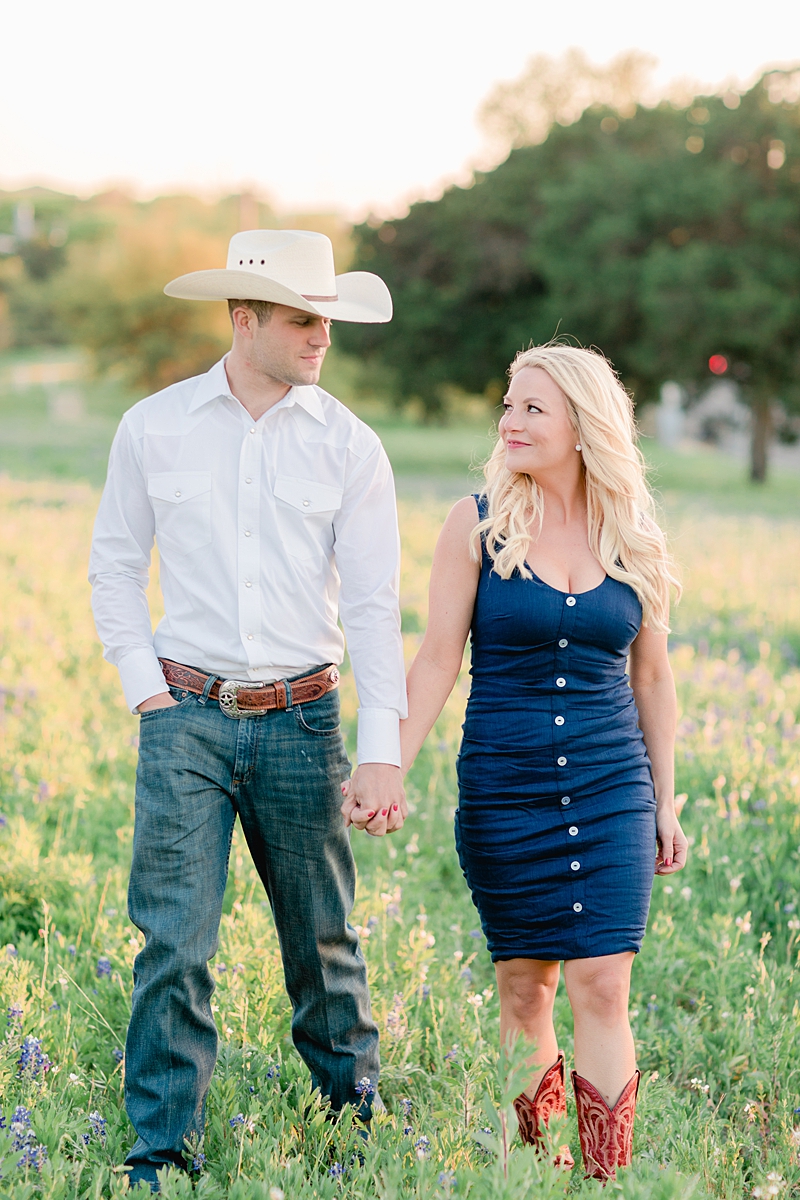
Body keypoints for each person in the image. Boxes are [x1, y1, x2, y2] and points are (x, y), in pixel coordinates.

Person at [89, 229, 408, 1191]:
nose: (321, 338)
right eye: (305, 320)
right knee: (174, 945)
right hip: (184, 713)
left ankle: (353, 1134)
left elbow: (372, 604)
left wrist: (383, 747)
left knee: (322, 943)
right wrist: (148, 691)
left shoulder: (351, 444)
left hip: (304, 723)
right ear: (245, 319)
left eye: (328, 321)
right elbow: (113, 568)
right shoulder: (154, 426)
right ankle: (160, 1153)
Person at [344, 342, 688, 1181]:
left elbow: (653, 677)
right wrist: (385, 762)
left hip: (613, 787)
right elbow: (433, 659)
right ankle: (535, 1172)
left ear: (583, 423)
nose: (510, 421)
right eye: (508, 404)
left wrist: (666, 803)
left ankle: (608, 1183)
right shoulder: (477, 523)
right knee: (525, 989)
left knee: (603, 983)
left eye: (532, 407)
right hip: (506, 792)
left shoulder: (631, 533)